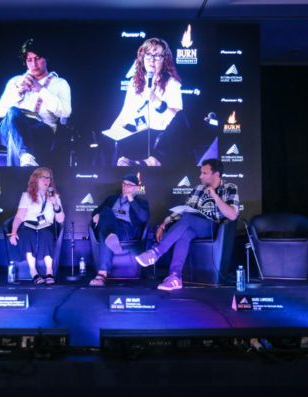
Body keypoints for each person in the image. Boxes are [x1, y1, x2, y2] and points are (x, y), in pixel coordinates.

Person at [135, 159, 239, 291]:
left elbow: (232, 215)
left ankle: (156, 252)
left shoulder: (230, 188)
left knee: (188, 219)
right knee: (185, 233)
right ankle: (175, 276)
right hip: (194, 225)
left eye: (204, 173)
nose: (200, 176)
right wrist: (164, 224)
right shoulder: (198, 189)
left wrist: (214, 195)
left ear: (216, 174)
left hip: (214, 228)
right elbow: (184, 211)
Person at [0, 38, 72, 167]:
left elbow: (65, 112)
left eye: (37, 59)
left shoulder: (59, 83)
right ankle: (25, 156)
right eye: (29, 60)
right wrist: (18, 93)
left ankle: (22, 161)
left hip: (41, 130)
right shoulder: (15, 81)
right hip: (12, 124)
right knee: (12, 112)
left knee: (14, 138)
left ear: (46, 58)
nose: (34, 64)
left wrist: (40, 89)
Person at [105, 38, 183, 167]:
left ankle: (145, 162)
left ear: (165, 60)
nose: (152, 60)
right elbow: (125, 114)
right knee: (106, 145)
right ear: (142, 57)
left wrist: (156, 100)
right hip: (137, 133)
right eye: (148, 55)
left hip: (160, 136)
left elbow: (178, 120)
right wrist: (111, 133)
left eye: (157, 56)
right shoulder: (134, 82)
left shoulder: (172, 83)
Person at [89, 174, 150, 287]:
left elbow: (144, 218)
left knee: (105, 231)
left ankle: (101, 274)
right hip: (109, 224)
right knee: (105, 211)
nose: (125, 187)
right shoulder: (111, 199)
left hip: (126, 230)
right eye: (124, 184)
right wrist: (96, 215)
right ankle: (111, 237)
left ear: (136, 188)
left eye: (129, 185)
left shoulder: (141, 202)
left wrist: (131, 199)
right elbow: (96, 211)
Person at [8, 167, 65, 284]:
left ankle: (49, 271)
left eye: (48, 178)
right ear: (35, 180)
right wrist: (13, 232)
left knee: (46, 235)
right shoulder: (27, 196)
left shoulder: (55, 196)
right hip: (29, 225)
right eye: (43, 177)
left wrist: (55, 205)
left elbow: (60, 219)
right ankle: (33, 271)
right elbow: (19, 217)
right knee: (28, 235)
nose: (46, 180)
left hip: (46, 226)